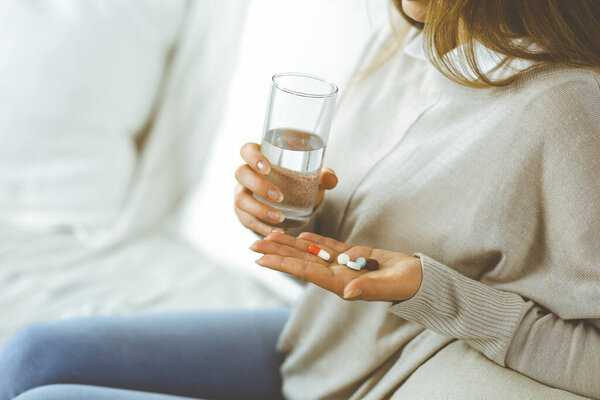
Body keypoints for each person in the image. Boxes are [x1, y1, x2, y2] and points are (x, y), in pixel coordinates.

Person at [1, 0, 599, 399]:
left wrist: (430, 290)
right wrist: (294, 213)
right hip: (315, 349)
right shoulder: (408, 40)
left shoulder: (566, 109)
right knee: (34, 353)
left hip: (380, 382)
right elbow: (372, 243)